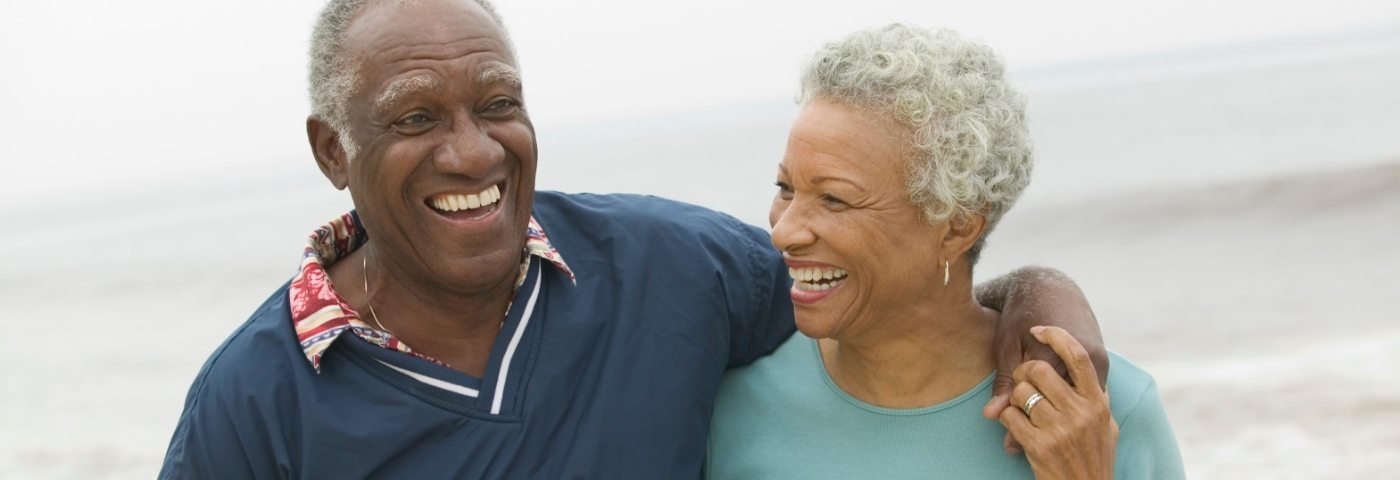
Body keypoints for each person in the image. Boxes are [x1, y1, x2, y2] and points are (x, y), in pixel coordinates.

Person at [159, 1, 1108, 478]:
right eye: (415, 119)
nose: (471, 150)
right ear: (334, 150)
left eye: (498, 105)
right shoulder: (253, 400)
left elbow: (880, 290)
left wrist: (1042, 298)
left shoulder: (670, 268)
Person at [707, 24, 1185, 479]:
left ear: (956, 228)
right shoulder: (730, 404)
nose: (784, 232)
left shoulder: (1100, 412)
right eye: (786, 188)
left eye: (834, 198)